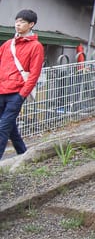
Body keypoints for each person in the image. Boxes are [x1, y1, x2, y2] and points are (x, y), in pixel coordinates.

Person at [0, 9, 43, 159]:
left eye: (22, 22)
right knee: (9, 127)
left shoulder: (36, 46)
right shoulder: (7, 44)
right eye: (17, 21)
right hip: (1, 90)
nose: (18, 24)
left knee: (2, 128)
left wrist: (21, 95)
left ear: (31, 24)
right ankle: (24, 155)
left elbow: (34, 74)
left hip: (16, 93)